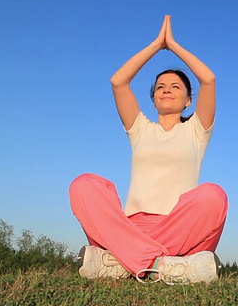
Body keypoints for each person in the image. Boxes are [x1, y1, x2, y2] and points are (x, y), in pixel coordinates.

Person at [69, 15, 228, 284]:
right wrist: (156, 45)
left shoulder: (196, 131)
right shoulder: (141, 129)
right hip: (128, 229)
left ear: (189, 100)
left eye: (176, 87)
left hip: (180, 227)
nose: (167, 90)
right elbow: (119, 81)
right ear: (153, 98)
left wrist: (173, 46)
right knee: (83, 185)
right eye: (160, 87)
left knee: (214, 195)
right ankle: (163, 266)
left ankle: (122, 264)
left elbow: (209, 80)